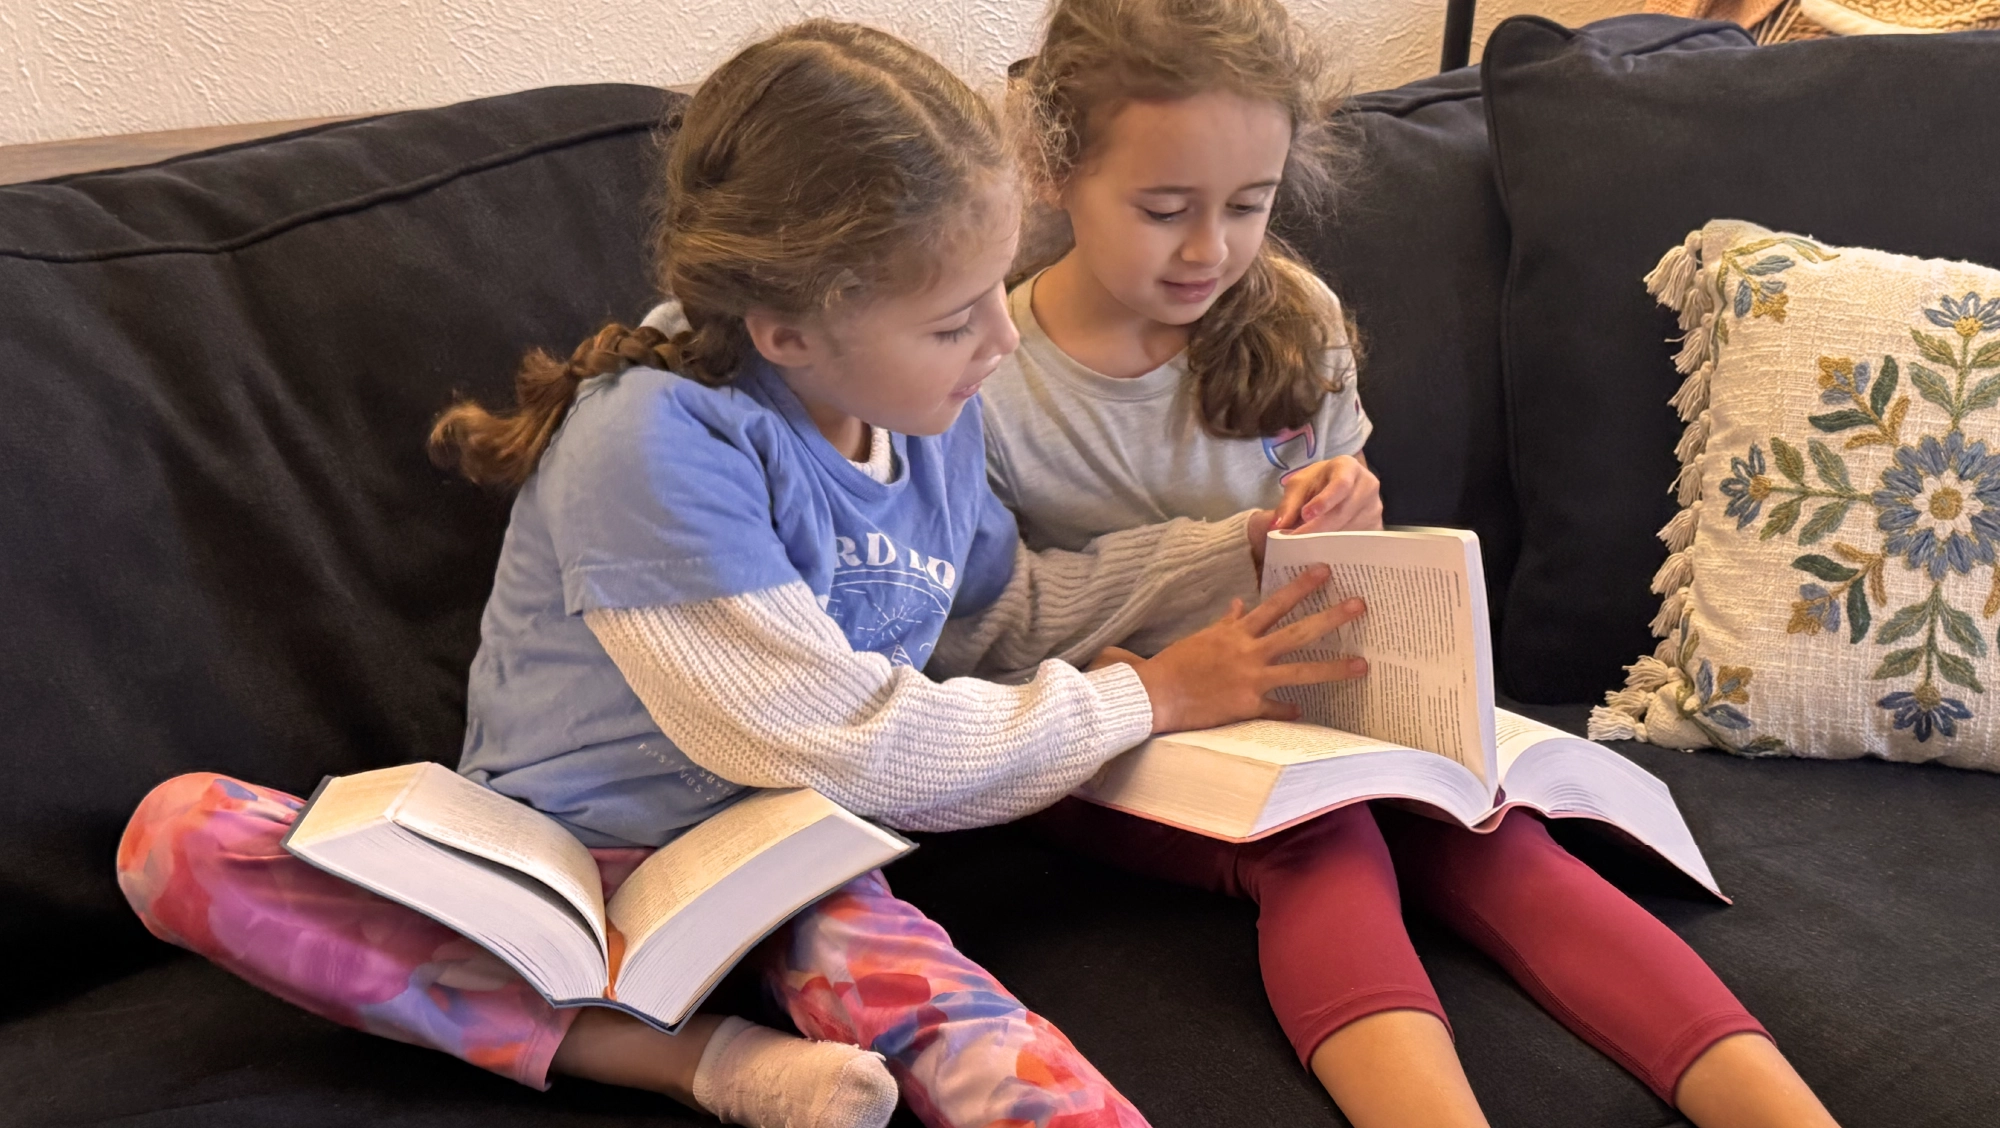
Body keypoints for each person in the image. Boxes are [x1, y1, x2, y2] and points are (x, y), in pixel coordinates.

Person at [115, 20, 1365, 1128]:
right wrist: (1152, 697)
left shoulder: (931, 410)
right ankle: (690, 1061)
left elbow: (994, 617)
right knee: (181, 838)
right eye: (953, 318)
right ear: (788, 331)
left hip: (779, 854)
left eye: (993, 292)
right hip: (561, 856)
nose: (1000, 340)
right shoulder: (651, 438)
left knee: (984, 1044)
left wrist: (1227, 559)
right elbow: (838, 741)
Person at [992, 2, 1842, 1125]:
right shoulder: (991, 379)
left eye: (1248, 205)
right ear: (1056, 174)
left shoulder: (1291, 314)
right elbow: (986, 625)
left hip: (1312, 702)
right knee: (1322, 839)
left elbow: (1340, 527)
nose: (1209, 249)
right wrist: (1223, 557)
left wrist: (1351, 506)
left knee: (1494, 832)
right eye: (1162, 211)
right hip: (1115, 726)